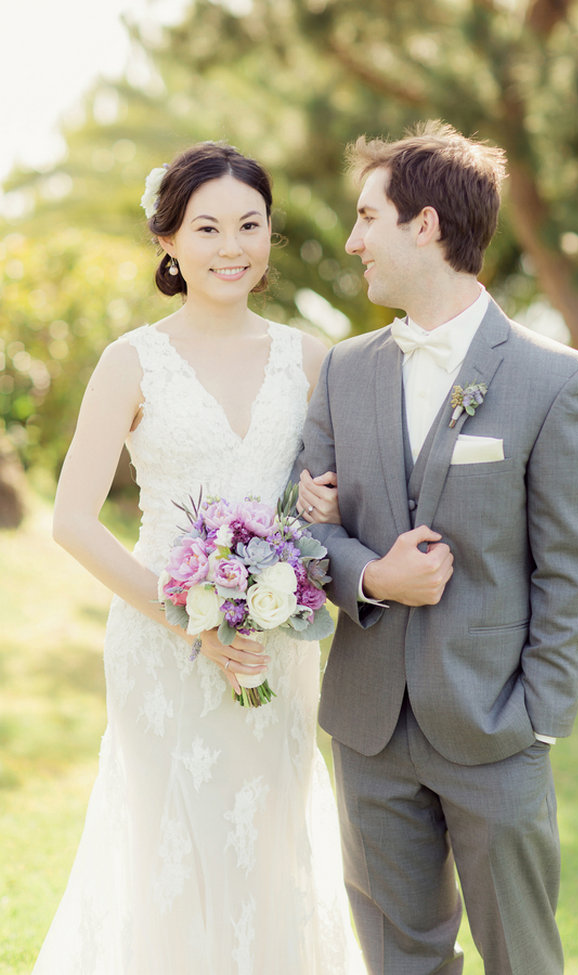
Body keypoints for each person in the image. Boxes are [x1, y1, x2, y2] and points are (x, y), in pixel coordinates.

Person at [33, 142, 365, 974]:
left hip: (271, 646)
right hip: (160, 649)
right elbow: (72, 521)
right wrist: (190, 623)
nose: (231, 247)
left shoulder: (312, 359)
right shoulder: (132, 360)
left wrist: (319, 507)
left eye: (249, 225)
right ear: (169, 242)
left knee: (268, 846)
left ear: (268, 235)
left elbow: (327, 501)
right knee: (169, 851)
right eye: (207, 226)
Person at [296, 121, 578, 975]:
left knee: (522, 958)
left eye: (368, 218)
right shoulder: (345, 369)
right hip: (366, 728)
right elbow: (306, 527)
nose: (354, 240)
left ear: (425, 224)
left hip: (495, 728)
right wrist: (372, 575)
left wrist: (538, 719)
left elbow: (575, 570)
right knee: (402, 959)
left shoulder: (558, 380)